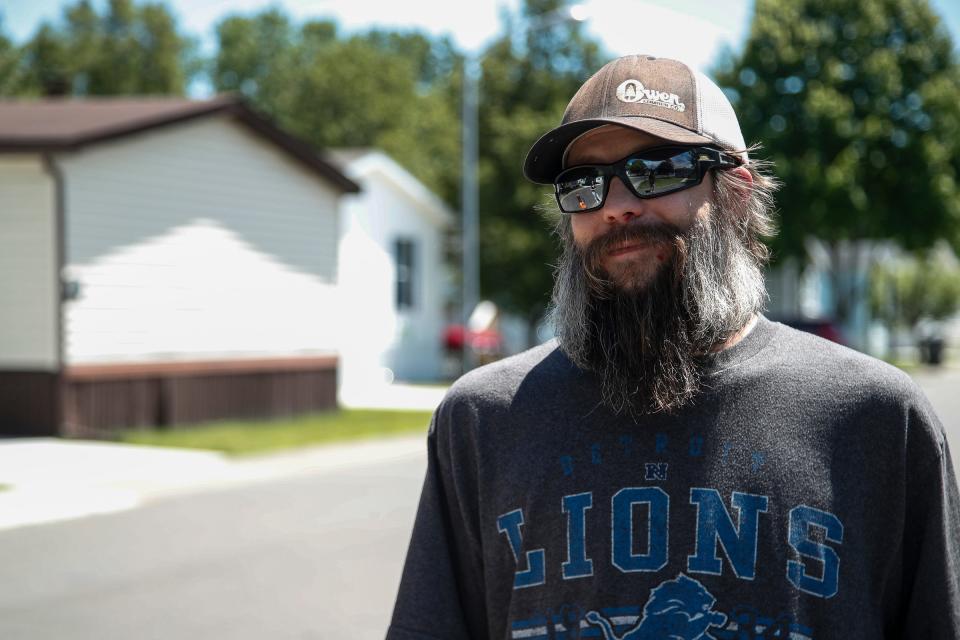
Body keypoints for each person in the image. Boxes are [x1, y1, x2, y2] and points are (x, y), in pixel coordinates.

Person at [387, 54, 960, 640]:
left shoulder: (879, 421)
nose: (616, 206)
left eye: (658, 169)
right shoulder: (483, 422)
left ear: (737, 191)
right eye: (584, 184)